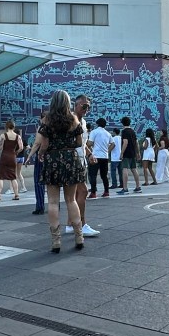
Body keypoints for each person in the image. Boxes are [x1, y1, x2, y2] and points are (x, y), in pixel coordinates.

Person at [31, 90, 86, 252]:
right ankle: (79, 237)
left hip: (53, 159)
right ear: (67, 103)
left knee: (53, 202)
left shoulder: (47, 120)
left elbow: (45, 144)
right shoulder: (73, 119)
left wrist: (41, 154)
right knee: (71, 200)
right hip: (70, 158)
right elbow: (78, 142)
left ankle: (56, 242)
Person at [66, 94, 99, 237]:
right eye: (84, 106)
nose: (86, 109)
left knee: (75, 194)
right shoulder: (71, 121)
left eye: (89, 107)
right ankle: (81, 224)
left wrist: (90, 154)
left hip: (81, 160)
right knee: (83, 191)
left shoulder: (83, 122)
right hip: (73, 161)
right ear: (76, 105)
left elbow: (82, 144)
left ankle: (69, 224)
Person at [0, 120, 22, 201]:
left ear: (6, 126)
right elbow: (21, 147)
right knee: (13, 177)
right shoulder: (18, 136)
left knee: (1, 177)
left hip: (4, 156)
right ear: (14, 127)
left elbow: (0, 147)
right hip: (12, 157)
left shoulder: (3, 136)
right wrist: (15, 152)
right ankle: (16, 195)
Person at [87, 117, 113, 198]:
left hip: (95, 156)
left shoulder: (94, 132)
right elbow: (113, 144)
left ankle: (93, 192)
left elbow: (90, 143)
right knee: (104, 175)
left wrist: (86, 144)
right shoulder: (108, 134)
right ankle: (106, 191)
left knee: (93, 175)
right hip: (105, 157)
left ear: (97, 124)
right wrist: (107, 151)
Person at [25, 123, 46, 215]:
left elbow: (37, 143)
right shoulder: (57, 126)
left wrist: (29, 156)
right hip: (54, 157)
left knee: (39, 182)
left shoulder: (42, 128)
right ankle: (56, 205)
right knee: (53, 184)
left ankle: (40, 207)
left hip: (41, 157)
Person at [117, 117, 141, 194]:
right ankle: (138, 187)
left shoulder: (124, 132)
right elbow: (136, 142)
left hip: (126, 153)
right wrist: (138, 153)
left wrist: (121, 153)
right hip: (133, 152)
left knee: (125, 169)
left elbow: (125, 142)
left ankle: (125, 188)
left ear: (122, 123)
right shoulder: (133, 131)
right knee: (134, 169)